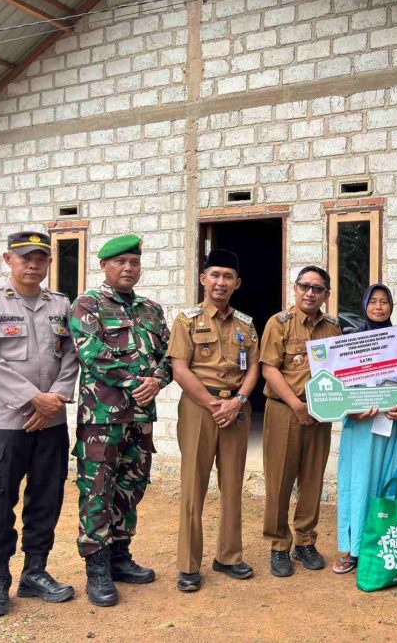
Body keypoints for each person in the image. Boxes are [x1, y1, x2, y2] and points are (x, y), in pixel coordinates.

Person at [0, 231, 78, 617]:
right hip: (4, 423)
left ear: (49, 263)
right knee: (0, 504)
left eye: (41, 258)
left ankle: (35, 573)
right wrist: (35, 399)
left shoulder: (61, 305)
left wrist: (55, 401)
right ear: (8, 259)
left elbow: (71, 357)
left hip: (51, 423)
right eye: (25, 257)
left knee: (46, 499)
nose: (33, 265)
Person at [68, 234, 171, 607]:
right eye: (121, 263)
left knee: (132, 485)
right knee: (97, 490)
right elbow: (92, 354)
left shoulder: (151, 309)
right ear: (104, 266)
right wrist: (138, 384)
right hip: (101, 418)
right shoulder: (87, 305)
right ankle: (96, 569)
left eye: (134, 262)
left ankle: (119, 557)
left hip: (140, 419)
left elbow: (170, 355)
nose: (129, 268)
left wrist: (157, 380)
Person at [167, 249, 260, 592]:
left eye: (228, 277)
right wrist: (211, 404)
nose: (221, 282)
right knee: (194, 484)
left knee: (233, 484)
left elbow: (253, 368)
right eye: (215, 275)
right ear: (204, 279)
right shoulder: (186, 320)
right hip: (199, 408)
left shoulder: (246, 325)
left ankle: (229, 556)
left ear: (237, 283)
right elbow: (179, 369)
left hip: (235, 409)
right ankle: (189, 564)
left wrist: (237, 402)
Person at [260, 265, 341, 577]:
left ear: (326, 295)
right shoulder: (278, 324)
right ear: (295, 289)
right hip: (284, 409)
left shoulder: (333, 328)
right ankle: (279, 544)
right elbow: (269, 368)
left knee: (312, 478)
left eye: (317, 289)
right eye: (305, 286)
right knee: (280, 478)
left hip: (321, 412)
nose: (310, 293)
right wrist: (296, 405)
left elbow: (339, 371)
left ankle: (305, 540)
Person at [332, 284, 397, 575]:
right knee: (359, 484)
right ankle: (354, 549)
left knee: (391, 483)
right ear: (364, 305)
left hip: (393, 428)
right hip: (360, 430)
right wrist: (350, 412)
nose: (379, 307)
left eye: (384, 302)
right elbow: (338, 388)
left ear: (391, 307)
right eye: (374, 302)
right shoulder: (350, 344)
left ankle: (388, 546)